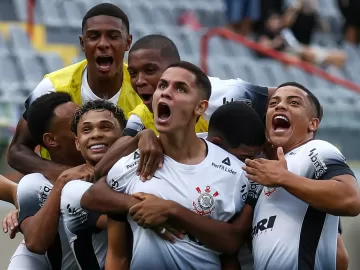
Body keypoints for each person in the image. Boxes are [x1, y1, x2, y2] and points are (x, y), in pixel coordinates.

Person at [101, 61, 261, 269]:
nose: (166, 93)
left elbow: (230, 254)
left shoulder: (234, 174)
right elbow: (117, 253)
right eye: (162, 85)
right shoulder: (131, 164)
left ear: (200, 107)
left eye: (180, 88)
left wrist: (170, 210)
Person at [95, 34, 276, 180]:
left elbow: (280, 96)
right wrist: (141, 137)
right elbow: (101, 171)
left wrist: (273, 139)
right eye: (133, 74)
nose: (139, 81)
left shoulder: (219, 93)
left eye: (150, 71)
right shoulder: (142, 114)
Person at [7, 3, 141, 182]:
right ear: (82, 43)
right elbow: (17, 150)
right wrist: (66, 175)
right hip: (59, 193)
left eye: (113, 36)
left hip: (126, 187)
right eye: (93, 36)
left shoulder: (144, 89)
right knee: (30, 186)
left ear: (128, 42)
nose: (103, 44)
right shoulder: (52, 87)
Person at [243, 82, 360, 269]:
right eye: (273, 104)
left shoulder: (315, 149)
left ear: (312, 123)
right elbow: (340, 257)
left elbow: (351, 200)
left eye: (294, 103)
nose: (280, 106)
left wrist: (283, 178)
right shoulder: (265, 173)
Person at [10, 92, 90, 270]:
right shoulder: (33, 184)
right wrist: (62, 183)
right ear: (51, 140)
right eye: (76, 124)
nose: (88, 128)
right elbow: (35, 243)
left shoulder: (113, 166)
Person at [60, 100, 127, 270]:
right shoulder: (73, 189)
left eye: (105, 127)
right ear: (77, 143)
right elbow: (136, 220)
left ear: (124, 137)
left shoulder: (134, 177)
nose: (96, 134)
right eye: (86, 130)